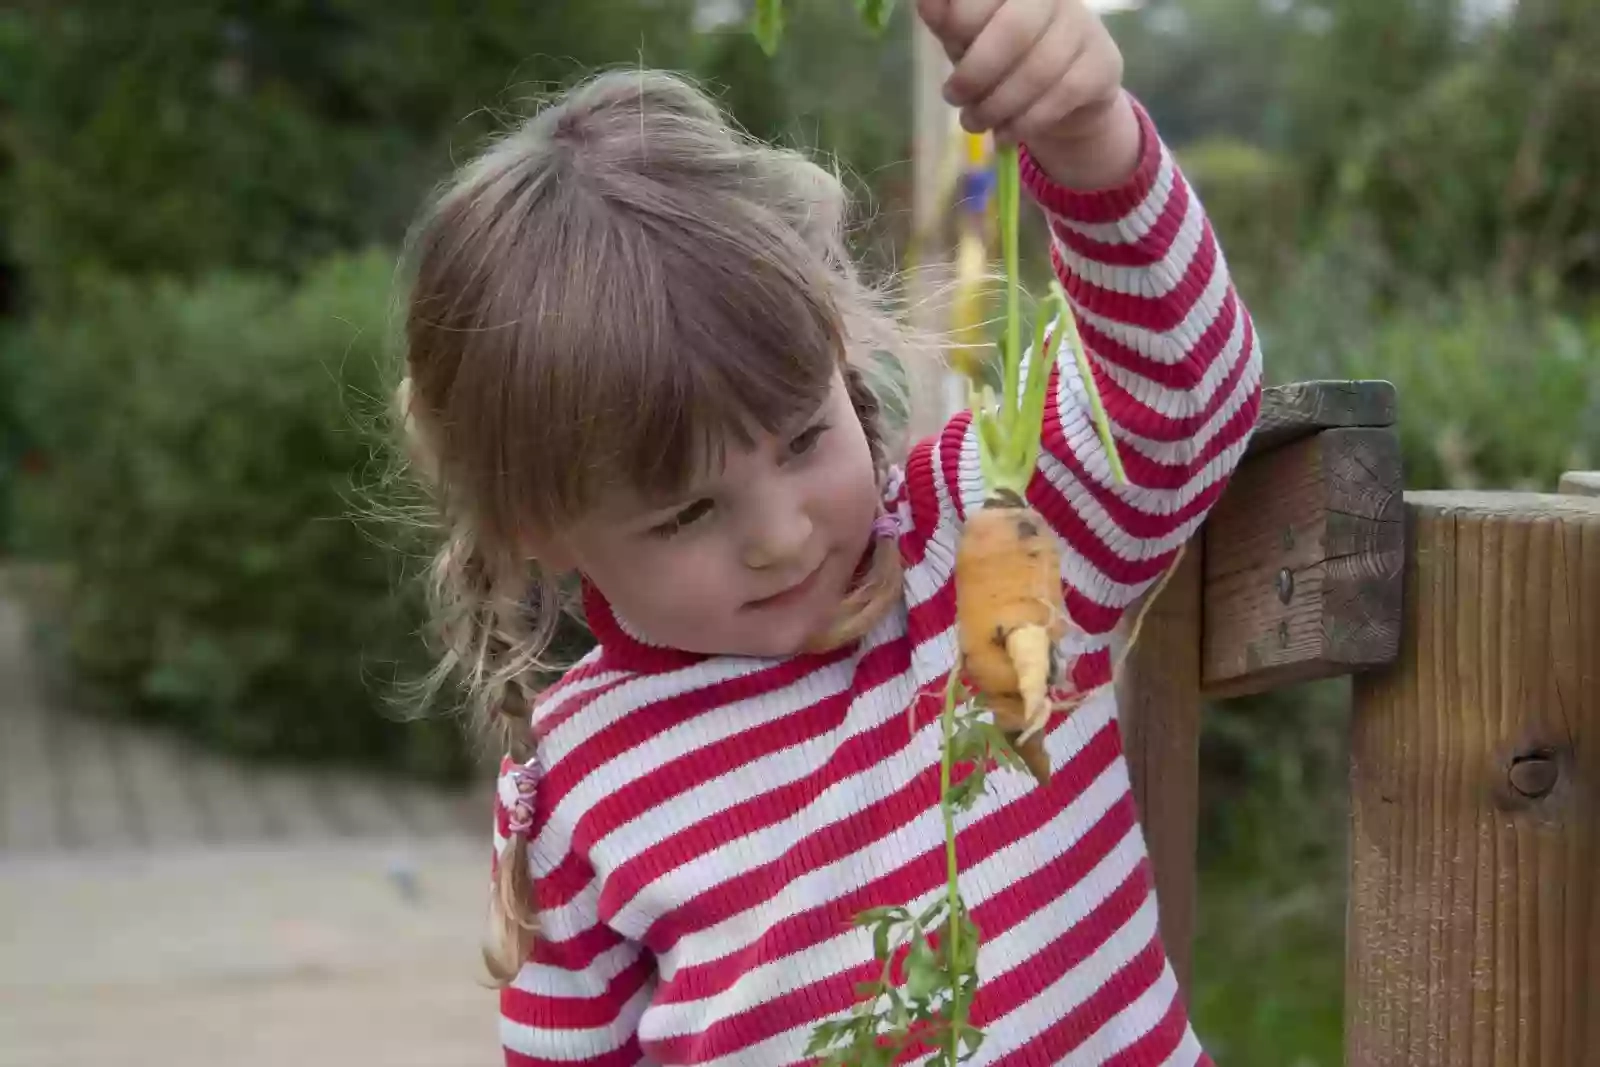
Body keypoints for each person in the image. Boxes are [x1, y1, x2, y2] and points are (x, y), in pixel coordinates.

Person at [396, 0, 1262, 1061]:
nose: (779, 534)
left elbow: (1182, 399)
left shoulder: (979, 544)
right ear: (541, 528)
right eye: (687, 511)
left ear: (843, 366)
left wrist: (1087, 140)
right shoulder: (578, 777)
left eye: (805, 438)